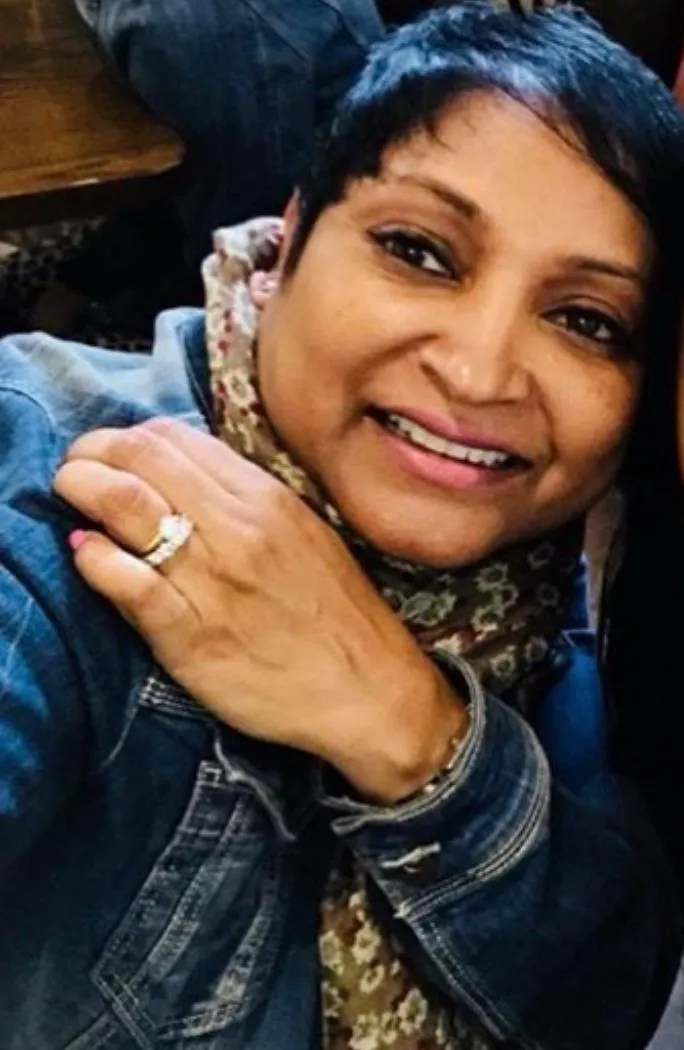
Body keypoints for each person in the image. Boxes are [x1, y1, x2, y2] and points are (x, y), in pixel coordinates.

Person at [1, 5, 684, 1048]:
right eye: (418, 250)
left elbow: (605, 993)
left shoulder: (552, 610)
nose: (479, 373)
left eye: (586, 320)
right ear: (289, 239)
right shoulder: (53, 475)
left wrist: (409, 729)